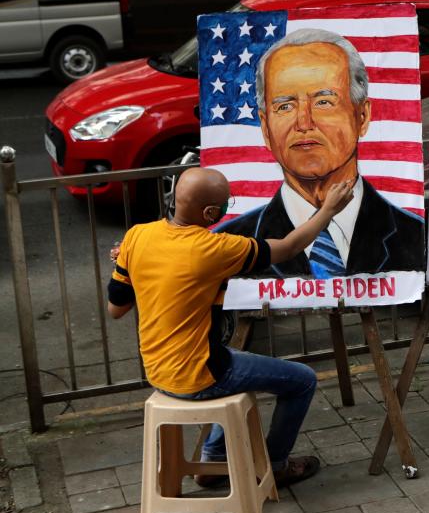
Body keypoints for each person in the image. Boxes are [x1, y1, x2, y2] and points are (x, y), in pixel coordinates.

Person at [108, 167, 355, 487]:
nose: (227, 208)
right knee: (303, 380)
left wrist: (133, 267)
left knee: (243, 363)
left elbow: (117, 308)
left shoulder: (137, 236)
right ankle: (277, 465)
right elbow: (290, 247)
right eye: (225, 204)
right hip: (199, 374)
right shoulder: (216, 249)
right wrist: (328, 209)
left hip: (157, 371)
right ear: (211, 212)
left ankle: (214, 459)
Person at [220, 28, 425, 278]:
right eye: (285, 106)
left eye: (323, 102)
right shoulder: (231, 243)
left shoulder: (414, 236)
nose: (304, 123)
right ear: (265, 127)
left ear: (362, 116)